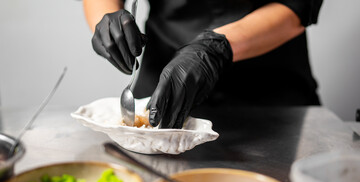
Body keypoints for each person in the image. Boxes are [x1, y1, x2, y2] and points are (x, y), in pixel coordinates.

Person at [83, 0, 323, 128]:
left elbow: (298, 5)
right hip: (162, 81)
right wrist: (107, 23)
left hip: (271, 92)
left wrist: (216, 48)